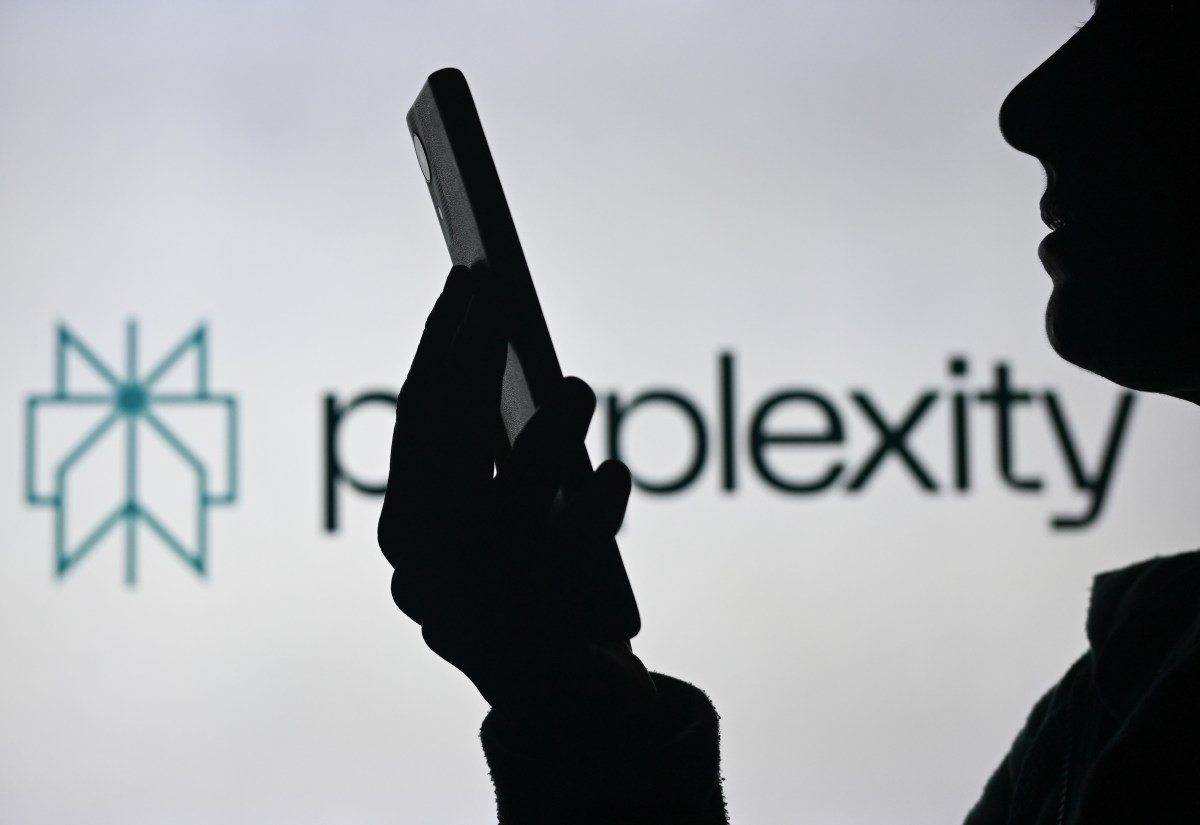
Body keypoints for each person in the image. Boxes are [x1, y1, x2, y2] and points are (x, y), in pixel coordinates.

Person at [378, 1, 1200, 821]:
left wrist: (575, 724)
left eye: (1160, 25)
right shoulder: (1124, 681)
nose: (1029, 110)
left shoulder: (1127, 690)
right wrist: (578, 716)